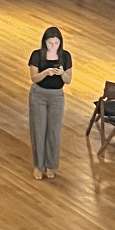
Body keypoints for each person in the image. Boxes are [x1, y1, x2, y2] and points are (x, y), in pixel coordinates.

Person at [26, 26, 72, 181]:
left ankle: (51, 165)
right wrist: (45, 72)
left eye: (56, 43)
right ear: (45, 42)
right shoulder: (37, 55)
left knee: (54, 132)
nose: (53, 46)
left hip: (57, 96)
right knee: (38, 131)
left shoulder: (65, 56)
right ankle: (38, 166)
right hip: (38, 95)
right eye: (50, 43)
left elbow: (68, 80)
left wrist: (62, 73)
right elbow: (34, 78)